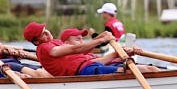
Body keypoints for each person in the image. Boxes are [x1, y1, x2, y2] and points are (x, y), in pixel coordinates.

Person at [24, 22, 159, 75]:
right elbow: (75, 49)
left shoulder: (56, 42)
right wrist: (101, 39)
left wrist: (121, 52)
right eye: (43, 33)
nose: (48, 33)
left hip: (90, 66)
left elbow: (88, 56)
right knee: (146, 71)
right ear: (36, 41)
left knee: (151, 69)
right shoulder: (44, 48)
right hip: (83, 71)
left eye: (46, 30)